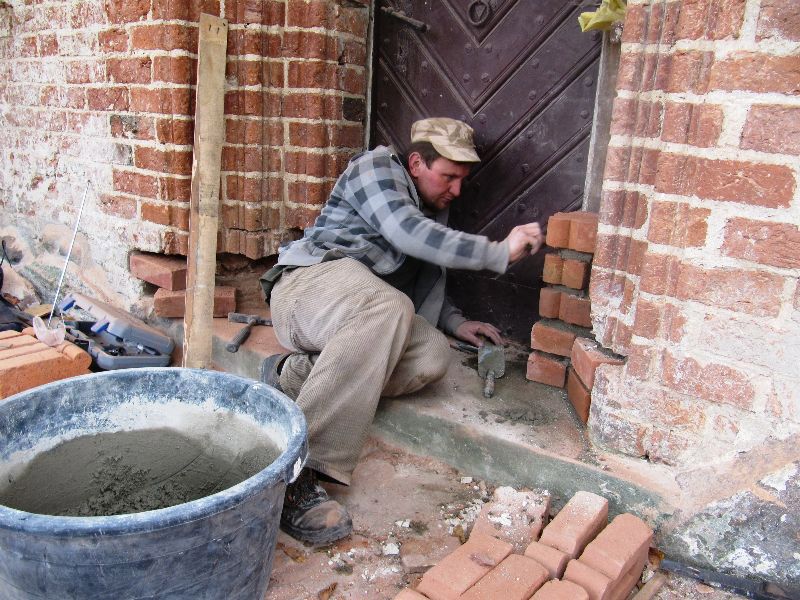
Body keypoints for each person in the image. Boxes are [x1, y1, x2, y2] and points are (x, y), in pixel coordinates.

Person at [259, 118, 543, 545]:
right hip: (305, 289)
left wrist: (455, 322)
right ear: (415, 162)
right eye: (448, 176)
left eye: (463, 180)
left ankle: (290, 374)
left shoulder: (431, 210)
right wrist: (497, 252)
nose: (456, 190)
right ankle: (297, 475)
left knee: (432, 355)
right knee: (389, 305)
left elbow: (422, 280)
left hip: (365, 320)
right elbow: (407, 235)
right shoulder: (374, 168)